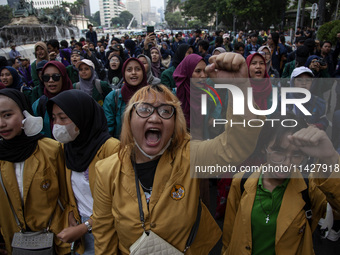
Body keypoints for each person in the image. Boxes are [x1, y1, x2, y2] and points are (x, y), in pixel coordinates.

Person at [92, 52, 264, 252]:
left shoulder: (190, 155)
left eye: (165, 111)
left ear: (175, 124)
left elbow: (235, 145)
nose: (155, 118)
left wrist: (239, 88)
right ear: (129, 120)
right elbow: (104, 236)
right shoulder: (106, 171)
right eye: (144, 110)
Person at [221, 115, 340, 255]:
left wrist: (331, 158)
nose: (287, 164)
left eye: (296, 155)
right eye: (278, 151)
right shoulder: (241, 182)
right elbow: (229, 234)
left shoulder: (310, 188)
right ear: (264, 148)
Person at [45, 90, 120, 255]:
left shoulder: (111, 148)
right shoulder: (67, 147)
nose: (57, 124)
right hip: (78, 229)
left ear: (82, 117)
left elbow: (119, 201)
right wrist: (72, 213)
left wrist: (86, 226)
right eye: (54, 118)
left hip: (106, 229)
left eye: (63, 118)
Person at [0, 88, 70, 255]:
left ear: (25, 114)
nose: (1, 123)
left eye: (7, 115)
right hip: (13, 243)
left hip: (56, 239)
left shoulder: (52, 150)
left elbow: (68, 196)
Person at [103, 58, 147, 139]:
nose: (133, 73)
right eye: (129, 70)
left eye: (138, 69)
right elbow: (107, 129)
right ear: (124, 73)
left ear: (143, 72)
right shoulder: (113, 98)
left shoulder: (152, 96)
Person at [32, 61, 73, 138]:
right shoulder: (39, 104)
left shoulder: (76, 100)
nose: (51, 80)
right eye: (46, 77)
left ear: (63, 77)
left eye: (56, 77)